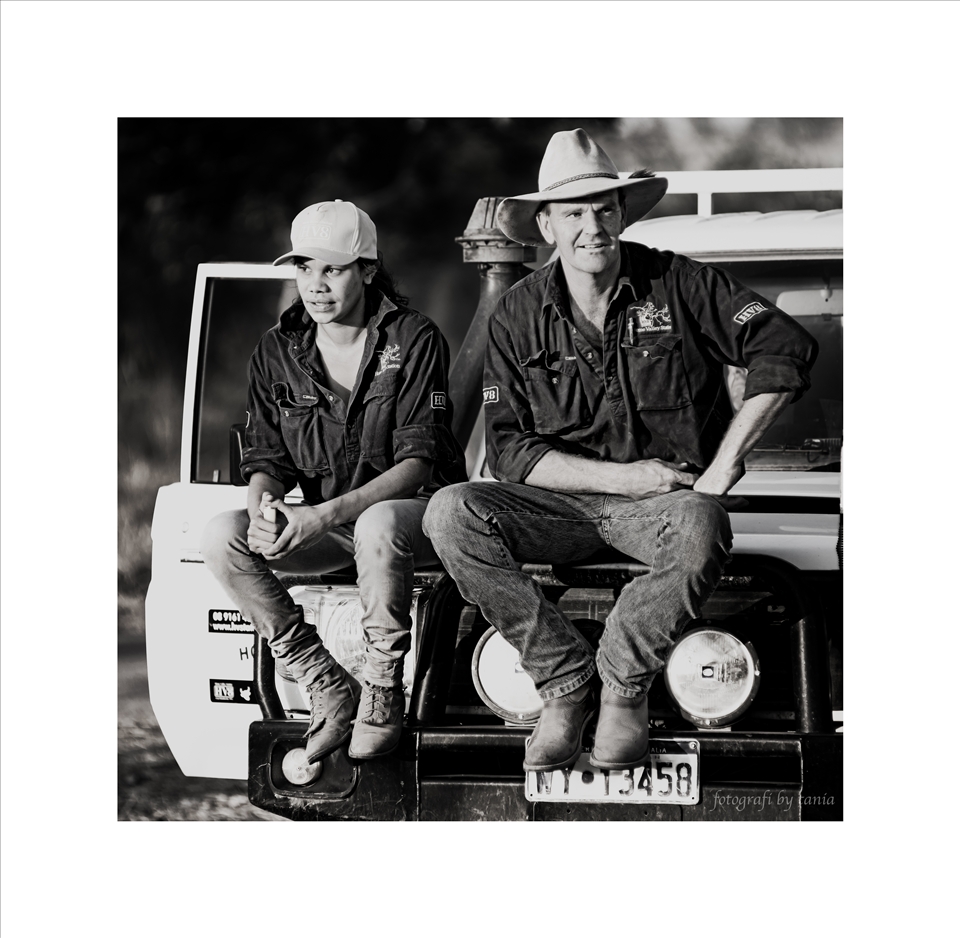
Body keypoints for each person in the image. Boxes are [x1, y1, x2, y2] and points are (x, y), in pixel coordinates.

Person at [423, 129, 818, 773]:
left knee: (702, 518)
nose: (592, 226)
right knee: (450, 512)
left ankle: (623, 691)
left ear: (624, 214)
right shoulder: (514, 315)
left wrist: (726, 463)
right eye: (574, 213)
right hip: (558, 511)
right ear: (547, 225)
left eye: (605, 208)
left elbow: (785, 347)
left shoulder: (679, 283)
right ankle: (563, 683)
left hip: (666, 514)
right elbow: (512, 453)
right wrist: (630, 477)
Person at [201, 199, 465, 764]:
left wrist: (322, 515)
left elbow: (418, 464)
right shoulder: (277, 349)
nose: (314, 285)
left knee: (377, 522)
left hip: (413, 520)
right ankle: (323, 683)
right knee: (223, 534)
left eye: (332, 269)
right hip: (332, 524)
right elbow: (267, 455)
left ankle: (380, 689)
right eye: (303, 267)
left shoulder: (413, 339)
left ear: (367, 270)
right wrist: (267, 511)